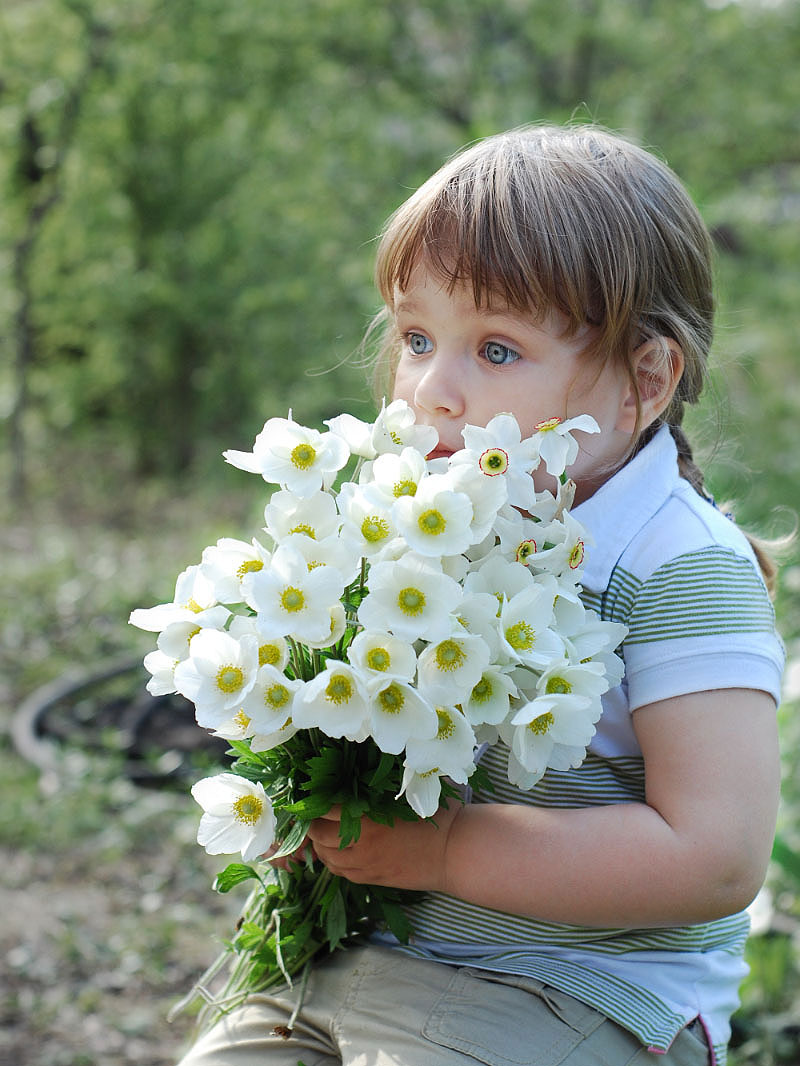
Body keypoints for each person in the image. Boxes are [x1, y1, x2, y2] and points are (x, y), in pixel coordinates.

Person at [176, 125, 785, 1066]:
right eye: (417, 336)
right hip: (365, 958)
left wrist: (446, 853)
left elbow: (715, 857)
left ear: (646, 379)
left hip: (577, 994)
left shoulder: (679, 562)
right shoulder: (416, 519)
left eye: (497, 349)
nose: (432, 391)